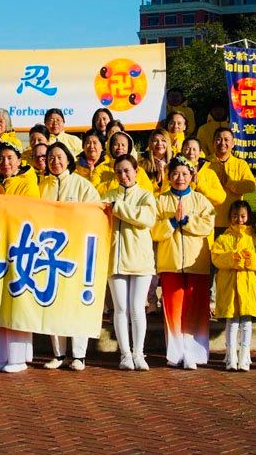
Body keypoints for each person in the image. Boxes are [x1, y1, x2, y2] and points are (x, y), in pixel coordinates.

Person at [40, 143, 101, 371]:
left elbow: (96, 212)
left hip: (76, 251)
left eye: (59, 157)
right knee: (52, 302)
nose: (55, 162)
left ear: (68, 159)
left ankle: (79, 355)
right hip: (49, 253)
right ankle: (58, 354)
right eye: (50, 158)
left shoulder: (82, 185)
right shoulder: (42, 186)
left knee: (76, 303)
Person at [152, 157, 215, 369]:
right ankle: (176, 353)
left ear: (191, 176)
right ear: (169, 176)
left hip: (196, 263)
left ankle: (194, 353)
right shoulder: (160, 201)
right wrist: (171, 222)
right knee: (173, 308)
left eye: (185, 174)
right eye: (176, 174)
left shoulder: (201, 200)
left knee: (195, 309)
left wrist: (187, 221)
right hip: (170, 263)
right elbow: (153, 231)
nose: (180, 178)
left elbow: (208, 225)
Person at [100, 155, 157, 371]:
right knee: (120, 309)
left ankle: (139, 353)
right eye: (119, 172)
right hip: (115, 260)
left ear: (136, 171)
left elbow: (147, 219)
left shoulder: (145, 195)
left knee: (136, 308)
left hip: (140, 261)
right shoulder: (108, 196)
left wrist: (118, 208)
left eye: (127, 171)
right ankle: (125, 354)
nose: (123, 175)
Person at [0, 143, 37, 372]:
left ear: (18, 160)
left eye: (9, 158)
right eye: (1, 158)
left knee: (18, 301)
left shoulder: (27, 184)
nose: (5, 162)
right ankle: (3, 355)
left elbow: (29, 215)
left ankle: (19, 357)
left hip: (19, 247)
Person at [212, 200, 256, 372]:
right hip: (230, 288)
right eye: (235, 216)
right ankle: (231, 355)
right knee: (232, 321)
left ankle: (244, 355)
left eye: (242, 216)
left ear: (248, 216)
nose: (239, 220)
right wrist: (232, 258)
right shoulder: (224, 238)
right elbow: (216, 258)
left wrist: (250, 259)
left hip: (248, 288)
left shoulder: (255, 238)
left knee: (246, 323)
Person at [197, 128, 256, 233]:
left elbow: (251, 186)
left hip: (234, 222)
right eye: (218, 139)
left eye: (226, 140)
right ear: (213, 143)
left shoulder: (240, 164)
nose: (222, 143)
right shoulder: (204, 164)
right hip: (209, 220)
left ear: (233, 143)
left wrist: (231, 184)